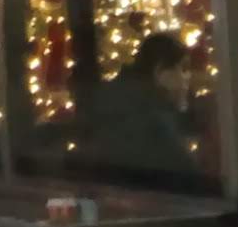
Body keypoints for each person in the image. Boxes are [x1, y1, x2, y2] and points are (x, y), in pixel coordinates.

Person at [85, 30, 206, 185]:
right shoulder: (153, 118)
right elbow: (188, 176)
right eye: (182, 69)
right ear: (160, 71)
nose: (186, 79)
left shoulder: (116, 100)